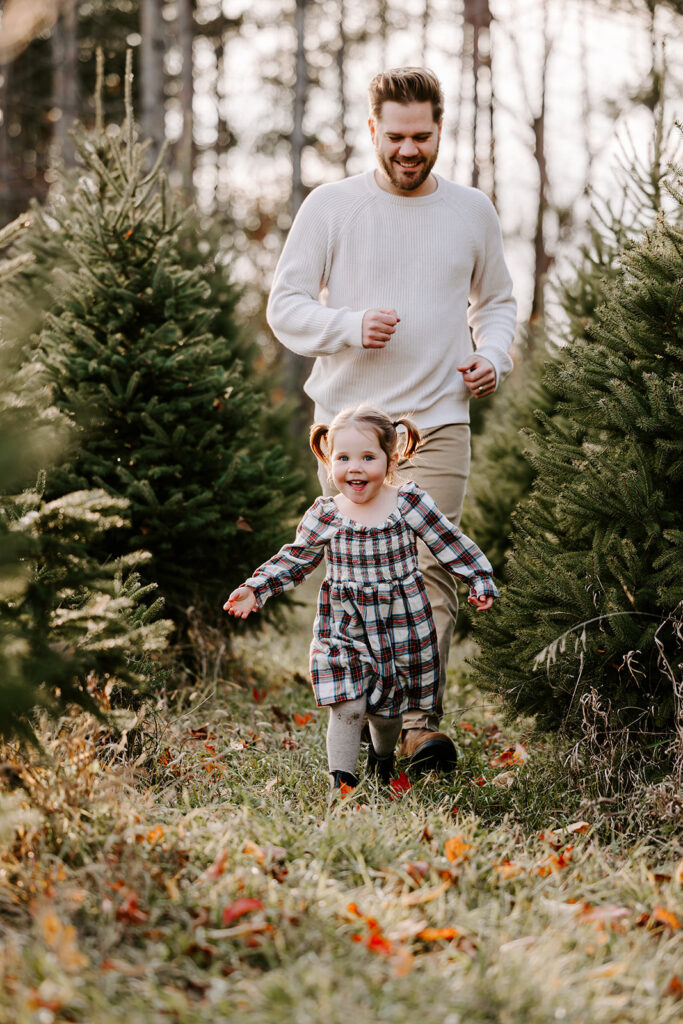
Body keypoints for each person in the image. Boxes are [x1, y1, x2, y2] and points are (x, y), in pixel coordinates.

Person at [266, 67, 517, 770]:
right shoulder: (331, 206)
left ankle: (415, 724)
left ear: (439, 131)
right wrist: (347, 324)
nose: (410, 150)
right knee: (360, 579)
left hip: (438, 420)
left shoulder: (471, 211)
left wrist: (491, 355)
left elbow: (495, 302)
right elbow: (283, 307)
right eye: (397, 136)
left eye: (423, 136)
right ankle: (373, 720)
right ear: (372, 131)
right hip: (351, 430)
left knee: (430, 571)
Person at [224, 405, 498, 789]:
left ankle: (382, 758)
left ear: (391, 458)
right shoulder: (327, 512)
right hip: (345, 623)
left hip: (399, 624)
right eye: (344, 458)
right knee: (349, 705)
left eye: (368, 457)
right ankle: (343, 782)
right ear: (328, 458)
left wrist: (480, 578)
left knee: (387, 714)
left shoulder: (408, 503)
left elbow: (448, 541)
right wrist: (257, 587)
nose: (355, 468)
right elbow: (296, 558)